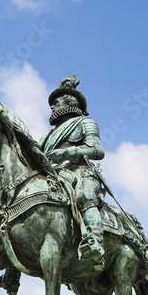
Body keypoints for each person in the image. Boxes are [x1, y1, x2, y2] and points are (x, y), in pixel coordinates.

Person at [40, 76, 106, 269]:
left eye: (56, 102)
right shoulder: (46, 137)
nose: (52, 107)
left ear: (69, 102)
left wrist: (68, 152)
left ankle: (95, 242)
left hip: (80, 172)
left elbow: (97, 151)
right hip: (54, 176)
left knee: (85, 196)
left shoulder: (86, 123)